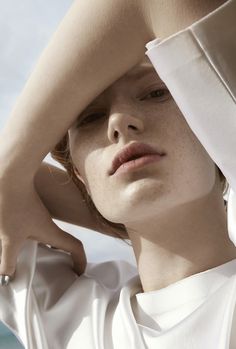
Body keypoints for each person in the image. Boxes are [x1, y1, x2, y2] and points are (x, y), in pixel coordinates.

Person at [1, 0, 236, 348]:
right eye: (90, 118)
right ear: (79, 175)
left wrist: (10, 173)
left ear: (209, 119)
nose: (119, 121)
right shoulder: (71, 317)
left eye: (156, 93)